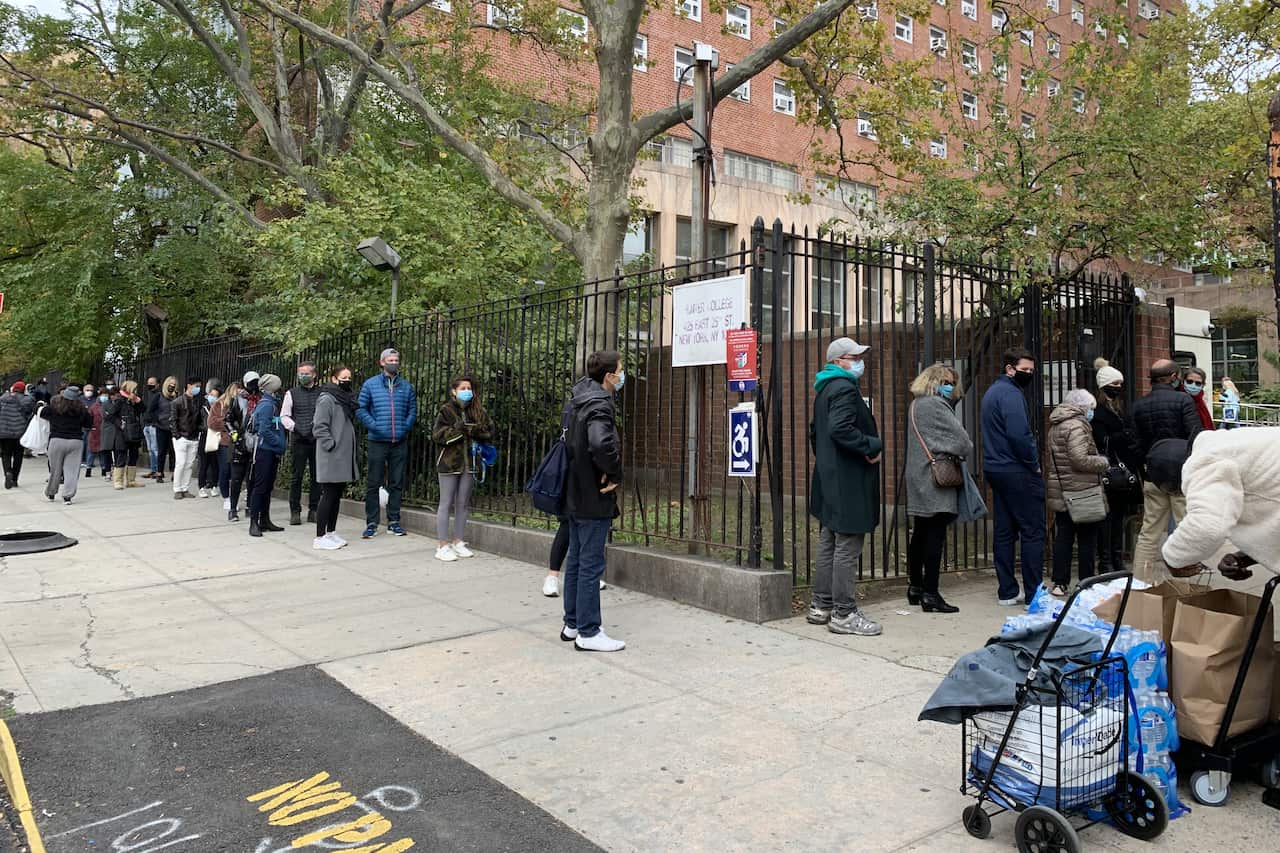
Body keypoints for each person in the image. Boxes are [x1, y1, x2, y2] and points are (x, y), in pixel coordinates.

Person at [806, 337, 883, 637]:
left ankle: (821, 605)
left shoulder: (824, 388)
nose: (860, 362)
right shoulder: (843, 389)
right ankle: (844, 613)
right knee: (847, 546)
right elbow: (840, 428)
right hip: (848, 480)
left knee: (829, 542)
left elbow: (817, 434)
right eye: (855, 357)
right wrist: (869, 446)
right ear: (839, 361)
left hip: (830, 477)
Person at [560, 350, 626, 652]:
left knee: (575, 558)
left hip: (574, 491)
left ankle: (572, 623)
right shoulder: (599, 405)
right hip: (593, 493)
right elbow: (600, 443)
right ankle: (588, 631)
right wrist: (614, 473)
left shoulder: (578, 399)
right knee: (590, 563)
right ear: (610, 376)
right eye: (621, 370)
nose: (623, 375)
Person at [1163, 427, 1280, 575]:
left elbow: (1207, 528)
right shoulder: (1228, 445)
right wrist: (1243, 557)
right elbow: (1271, 498)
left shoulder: (1202, 462)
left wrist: (1172, 557)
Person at [903, 363, 972, 614]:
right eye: (946, 382)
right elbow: (963, 442)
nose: (950, 387)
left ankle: (916, 587)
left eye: (952, 382)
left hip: (918, 475)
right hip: (936, 477)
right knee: (935, 534)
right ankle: (931, 593)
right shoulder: (936, 405)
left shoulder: (916, 404)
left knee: (920, 532)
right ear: (934, 382)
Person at [980, 347, 1045, 606]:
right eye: (1024, 370)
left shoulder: (993, 392)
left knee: (1005, 531)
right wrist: (1034, 464)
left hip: (996, 468)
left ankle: (1007, 590)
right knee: (1032, 531)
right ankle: (1034, 594)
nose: (1028, 374)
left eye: (1031, 370)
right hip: (1017, 469)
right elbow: (1019, 435)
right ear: (1009, 368)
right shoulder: (1011, 395)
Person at [1129, 358, 1204, 581]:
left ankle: (1140, 583)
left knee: (1149, 532)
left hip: (1154, 475)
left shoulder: (1138, 405)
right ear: (1173, 377)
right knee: (1186, 527)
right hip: (1181, 474)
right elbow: (1196, 436)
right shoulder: (1183, 401)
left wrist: (1146, 470)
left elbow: (1134, 444)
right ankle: (1186, 584)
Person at [1045, 389, 1110, 596]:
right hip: (1082, 490)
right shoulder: (1077, 426)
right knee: (1086, 539)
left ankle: (1059, 582)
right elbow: (1079, 459)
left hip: (1062, 489)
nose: (1092, 413)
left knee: (1063, 537)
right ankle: (1086, 582)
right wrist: (1103, 462)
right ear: (1082, 407)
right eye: (1090, 408)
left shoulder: (1057, 424)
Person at [431, 376, 495, 562]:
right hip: (450, 463)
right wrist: (459, 430)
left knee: (463, 503)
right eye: (463, 388)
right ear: (454, 391)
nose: (467, 391)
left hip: (471, 463)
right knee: (446, 503)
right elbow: (438, 436)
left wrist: (475, 430)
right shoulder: (446, 411)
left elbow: (489, 431)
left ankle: (458, 541)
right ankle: (442, 544)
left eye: (469, 388)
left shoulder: (477, 410)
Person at [357, 348, 417, 539]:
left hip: (399, 441)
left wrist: (404, 428)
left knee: (397, 482)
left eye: (396, 359)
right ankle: (372, 522)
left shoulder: (406, 386)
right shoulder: (370, 385)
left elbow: (412, 411)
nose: (394, 362)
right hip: (377, 441)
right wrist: (375, 426)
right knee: (373, 483)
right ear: (382, 362)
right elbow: (360, 409)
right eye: (390, 359)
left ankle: (394, 521)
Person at [1091, 359, 1142, 574]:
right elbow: (1102, 440)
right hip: (1110, 470)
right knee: (1108, 518)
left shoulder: (1120, 410)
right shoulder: (1099, 412)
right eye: (1115, 384)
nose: (1118, 388)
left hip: (1124, 472)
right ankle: (1106, 560)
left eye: (1120, 384)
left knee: (1119, 517)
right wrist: (1123, 436)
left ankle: (1117, 556)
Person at [311, 366, 358, 550]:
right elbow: (319, 426)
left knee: (336, 495)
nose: (347, 380)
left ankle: (331, 532)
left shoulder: (343, 400)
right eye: (343, 377)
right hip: (331, 455)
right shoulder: (326, 399)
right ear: (334, 379)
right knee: (328, 495)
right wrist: (331, 444)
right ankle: (320, 536)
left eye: (349, 377)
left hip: (342, 455)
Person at [281, 361, 322, 525]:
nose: (303, 376)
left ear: (313, 375)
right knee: (296, 477)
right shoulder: (291, 393)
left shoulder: (321, 392)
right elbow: (284, 416)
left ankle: (314, 510)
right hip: (299, 440)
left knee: (316, 476)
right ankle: (295, 511)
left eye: (306, 373)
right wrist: (295, 427)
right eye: (301, 373)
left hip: (316, 439)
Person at [247, 373, 287, 537]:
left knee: (267, 487)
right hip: (265, 451)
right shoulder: (267, 406)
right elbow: (264, 431)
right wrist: (278, 443)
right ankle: (254, 522)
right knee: (260, 487)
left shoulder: (270, 404)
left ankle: (264, 519)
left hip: (271, 451)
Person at [41, 385, 93, 504]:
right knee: (72, 470)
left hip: (57, 440)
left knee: (55, 470)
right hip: (76, 442)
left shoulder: (54, 407)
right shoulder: (81, 409)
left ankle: (51, 493)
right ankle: (67, 496)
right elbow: (89, 424)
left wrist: (39, 405)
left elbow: (42, 413)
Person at [225, 372, 262, 521]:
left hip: (255, 443)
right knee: (236, 479)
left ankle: (250, 506)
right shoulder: (237, 399)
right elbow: (228, 419)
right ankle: (233, 508)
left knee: (252, 477)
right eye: (251, 382)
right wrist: (234, 434)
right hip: (240, 443)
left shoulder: (261, 399)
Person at [169, 376, 204, 499]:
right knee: (181, 463)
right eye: (196, 386)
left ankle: (185, 488)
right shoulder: (177, 402)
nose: (198, 389)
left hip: (193, 436)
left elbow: (199, 418)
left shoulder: (197, 402)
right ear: (189, 386)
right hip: (182, 437)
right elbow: (173, 420)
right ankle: (177, 488)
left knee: (189, 464)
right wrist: (177, 435)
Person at [207, 381, 240, 510]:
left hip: (239, 442)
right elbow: (211, 422)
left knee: (236, 472)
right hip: (225, 441)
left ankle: (233, 498)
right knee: (225, 470)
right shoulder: (219, 404)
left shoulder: (242, 404)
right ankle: (226, 497)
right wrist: (228, 423)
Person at [109, 380, 147, 488]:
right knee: (122, 455)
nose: (135, 391)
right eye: (134, 389)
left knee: (134, 455)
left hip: (134, 432)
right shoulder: (120, 401)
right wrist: (120, 423)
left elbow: (143, 410)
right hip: (123, 433)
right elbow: (110, 415)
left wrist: (138, 401)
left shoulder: (133, 401)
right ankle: (118, 481)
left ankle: (131, 480)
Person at [0, 381, 35, 488]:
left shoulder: (2, 399)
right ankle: (14, 479)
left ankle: (7, 472)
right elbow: (31, 415)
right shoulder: (28, 400)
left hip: (4, 432)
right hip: (20, 432)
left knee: (6, 454)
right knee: (18, 456)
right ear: (24, 390)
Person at [196, 379, 223, 498]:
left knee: (214, 463)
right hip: (205, 435)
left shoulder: (220, 408)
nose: (212, 398)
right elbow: (197, 421)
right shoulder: (202, 408)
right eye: (211, 395)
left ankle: (213, 485)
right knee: (204, 463)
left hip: (216, 436)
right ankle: (201, 486)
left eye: (215, 396)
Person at [150, 376, 178, 484]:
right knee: (161, 450)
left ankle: (174, 472)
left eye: (174, 384)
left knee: (173, 451)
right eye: (170, 384)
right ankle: (159, 472)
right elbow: (151, 410)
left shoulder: (177, 396)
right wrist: (156, 420)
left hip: (174, 428)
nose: (172, 386)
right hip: (162, 427)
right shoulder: (159, 396)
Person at [84, 382, 110, 479]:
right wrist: (90, 426)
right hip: (95, 430)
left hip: (105, 431)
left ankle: (104, 469)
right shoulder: (94, 406)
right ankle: (88, 468)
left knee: (103, 452)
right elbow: (89, 417)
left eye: (106, 395)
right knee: (91, 451)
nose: (105, 397)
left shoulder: (109, 405)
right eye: (103, 395)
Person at [1182, 366, 1215, 433]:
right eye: (1189, 381)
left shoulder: (1200, 402)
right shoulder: (1179, 399)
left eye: (1198, 383)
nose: (1193, 385)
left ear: (1203, 385)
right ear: (1183, 381)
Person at [141, 376, 161, 478]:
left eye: (152, 383)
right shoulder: (147, 395)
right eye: (149, 383)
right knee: (150, 449)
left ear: (157, 384)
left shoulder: (158, 395)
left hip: (154, 424)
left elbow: (150, 408)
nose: (150, 385)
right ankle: (153, 469)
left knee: (155, 448)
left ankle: (158, 470)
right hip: (147, 424)